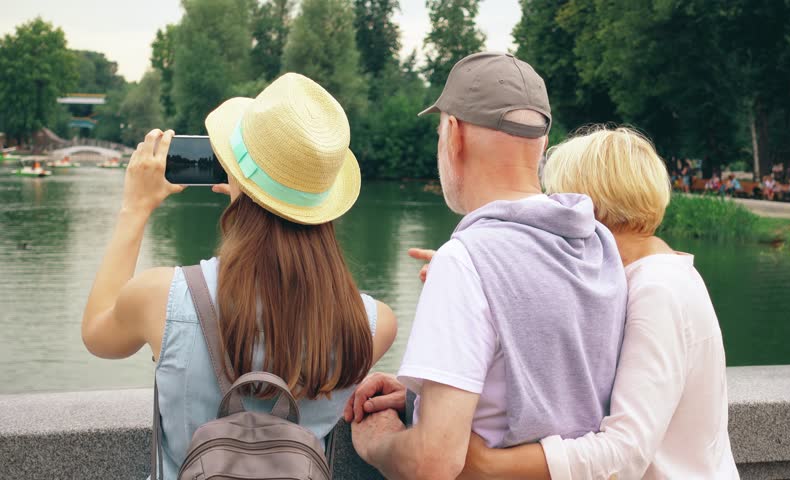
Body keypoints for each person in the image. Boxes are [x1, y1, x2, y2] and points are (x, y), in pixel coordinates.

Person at [80, 73, 397, 480]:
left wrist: (134, 209)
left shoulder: (163, 297)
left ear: (234, 174)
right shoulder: (372, 325)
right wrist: (248, 190)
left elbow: (98, 333)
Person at [345, 52, 627, 480]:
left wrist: (377, 440)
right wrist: (425, 393)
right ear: (543, 142)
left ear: (453, 133)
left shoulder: (465, 260)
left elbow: (434, 462)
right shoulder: (597, 243)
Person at [458, 126, 738, 479]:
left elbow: (626, 450)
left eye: (558, 200)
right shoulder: (647, 275)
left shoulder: (656, 291)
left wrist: (488, 465)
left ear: (592, 208)